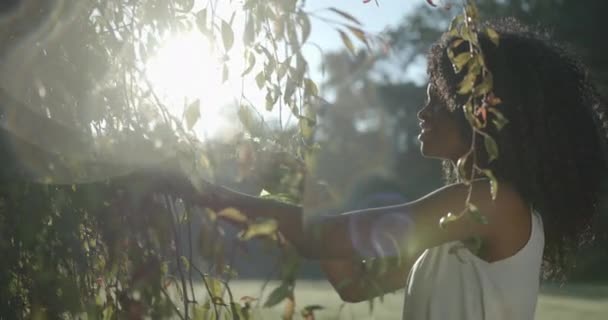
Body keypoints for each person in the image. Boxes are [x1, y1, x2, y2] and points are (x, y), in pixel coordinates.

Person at [199, 18, 608, 320]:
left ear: (478, 113)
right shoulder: (464, 217)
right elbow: (355, 284)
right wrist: (305, 191)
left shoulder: (494, 202)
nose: (422, 112)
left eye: (437, 100)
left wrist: (202, 192)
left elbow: (322, 238)